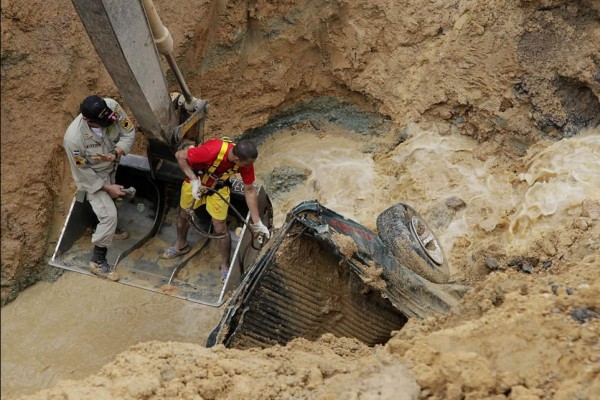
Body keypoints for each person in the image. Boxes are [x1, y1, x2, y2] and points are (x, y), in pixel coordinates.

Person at [161, 138, 270, 282]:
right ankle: (180, 245)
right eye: (247, 164)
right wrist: (194, 181)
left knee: (220, 227)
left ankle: (225, 266)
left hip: (218, 188)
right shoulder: (211, 151)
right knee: (184, 215)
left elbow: (249, 190)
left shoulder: (245, 162)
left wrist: (257, 222)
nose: (250, 167)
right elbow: (179, 156)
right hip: (196, 183)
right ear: (237, 158)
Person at [63, 95, 136, 281]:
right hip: (92, 178)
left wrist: (115, 153)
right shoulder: (74, 139)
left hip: (112, 164)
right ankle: (98, 260)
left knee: (110, 205)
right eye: (100, 123)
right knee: (109, 215)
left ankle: (103, 227)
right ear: (87, 120)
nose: (106, 124)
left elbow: (129, 132)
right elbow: (82, 172)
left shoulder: (111, 107)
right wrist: (106, 187)